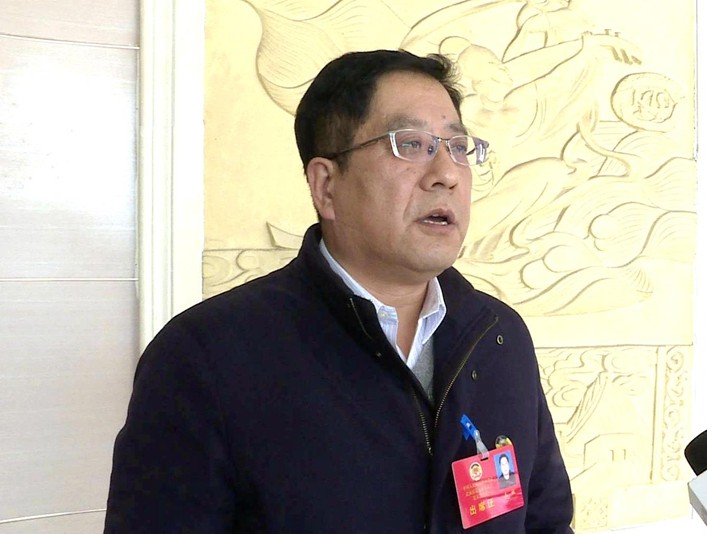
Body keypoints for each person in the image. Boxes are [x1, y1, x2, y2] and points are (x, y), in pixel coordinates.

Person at [105, 49, 573, 533]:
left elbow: (547, 523)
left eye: (457, 147)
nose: (447, 174)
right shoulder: (206, 358)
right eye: (411, 144)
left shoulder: (498, 338)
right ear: (326, 186)